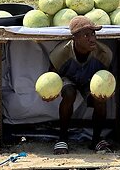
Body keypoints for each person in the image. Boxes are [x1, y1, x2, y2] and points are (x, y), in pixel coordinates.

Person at [46, 16, 114, 154]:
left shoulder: (104, 53)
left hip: (90, 80)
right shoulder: (61, 53)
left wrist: (108, 93)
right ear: (75, 38)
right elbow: (52, 77)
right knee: (69, 93)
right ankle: (62, 138)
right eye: (86, 35)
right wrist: (49, 93)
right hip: (68, 78)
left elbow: (109, 79)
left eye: (93, 34)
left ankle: (96, 140)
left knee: (100, 99)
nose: (92, 39)